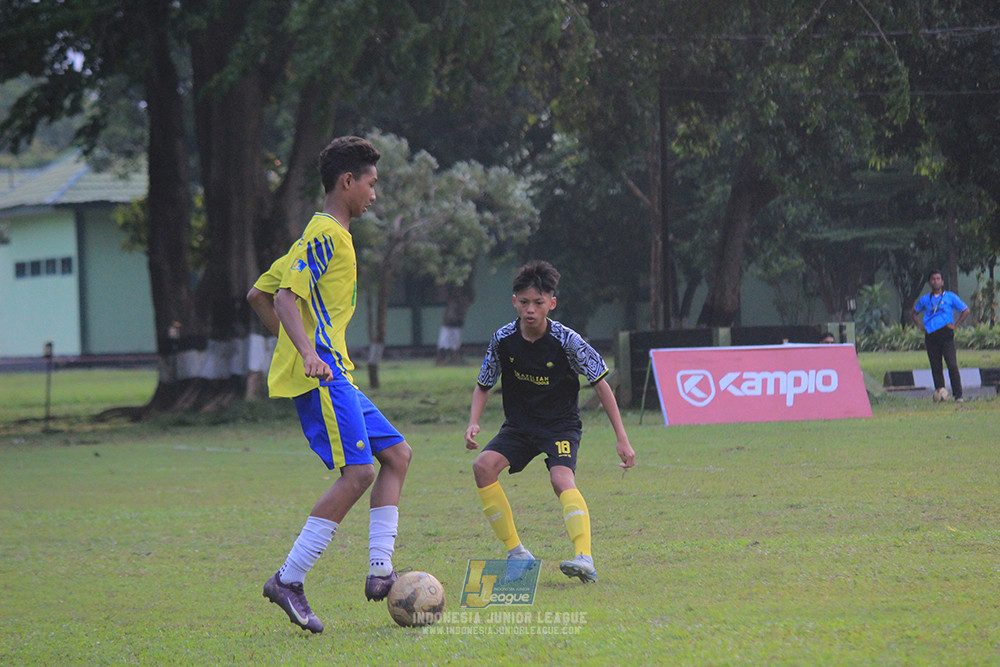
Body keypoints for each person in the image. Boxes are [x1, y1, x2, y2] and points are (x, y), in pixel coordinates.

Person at [246, 136, 412, 633]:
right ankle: (288, 579)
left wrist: (300, 348)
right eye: (371, 184)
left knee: (397, 455)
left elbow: (259, 292)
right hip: (324, 378)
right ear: (347, 182)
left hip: (332, 372)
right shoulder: (325, 236)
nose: (374, 195)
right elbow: (282, 301)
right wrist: (307, 354)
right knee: (358, 473)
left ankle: (381, 572)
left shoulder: (318, 237)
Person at [464, 260, 635, 584]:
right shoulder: (502, 339)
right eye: (524, 302)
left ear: (551, 303)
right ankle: (517, 553)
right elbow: (484, 384)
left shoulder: (567, 340)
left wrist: (622, 438)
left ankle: (584, 557)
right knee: (482, 466)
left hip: (560, 425)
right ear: (514, 301)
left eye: (538, 303)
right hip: (519, 426)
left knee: (560, 480)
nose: (530, 309)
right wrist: (474, 421)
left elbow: (601, 383)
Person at [909, 269, 970, 402]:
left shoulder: (950, 297)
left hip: (946, 334)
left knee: (952, 365)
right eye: (933, 279)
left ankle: (958, 395)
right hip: (931, 335)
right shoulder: (925, 299)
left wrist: (956, 325)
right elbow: (914, 312)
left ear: (942, 282)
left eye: (938, 279)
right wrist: (920, 326)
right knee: (936, 366)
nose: (936, 281)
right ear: (930, 282)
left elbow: (965, 310)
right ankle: (940, 393)